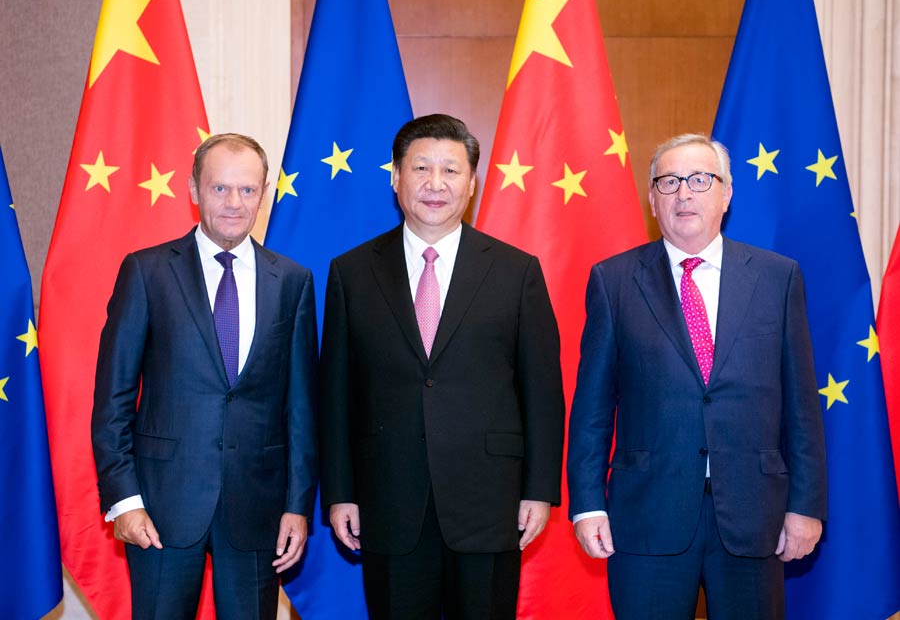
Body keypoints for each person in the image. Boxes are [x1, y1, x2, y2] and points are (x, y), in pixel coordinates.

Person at [567, 133, 827, 619]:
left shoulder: (778, 277)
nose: (684, 193)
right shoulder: (613, 281)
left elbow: (801, 406)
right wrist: (587, 505)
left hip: (755, 514)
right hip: (646, 516)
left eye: (700, 180)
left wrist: (806, 504)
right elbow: (592, 410)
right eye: (669, 182)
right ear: (652, 200)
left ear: (726, 194)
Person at [318, 113, 565, 619]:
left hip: (490, 502)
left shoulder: (516, 271)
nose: (436, 184)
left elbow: (542, 391)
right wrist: (340, 492)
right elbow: (336, 394)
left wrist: (539, 490)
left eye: (451, 171)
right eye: (421, 168)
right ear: (396, 178)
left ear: (472, 183)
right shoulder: (352, 271)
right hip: (388, 499)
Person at [91, 133, 318, 619]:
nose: (234, 203)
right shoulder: (147, 272)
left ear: (263, 194)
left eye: (247, 190)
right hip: (160, 508)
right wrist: (124, 500)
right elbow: (113, 398)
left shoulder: (293, 281)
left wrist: (297, 505)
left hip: (257, 509)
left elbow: (301, 407)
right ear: (194, 189)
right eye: (220, 188)